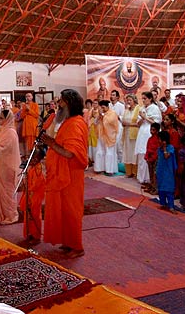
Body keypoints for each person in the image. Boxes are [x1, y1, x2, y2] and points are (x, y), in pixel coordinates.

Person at [40, 89, 88, 258]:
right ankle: (68, 242)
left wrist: (51, 143)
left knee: (72, 210)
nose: (58, 104)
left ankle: (77, 246)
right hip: (62, 173)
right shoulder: (69, 121)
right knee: (63, 209)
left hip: (71, 175)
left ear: (69, 103)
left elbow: (70, 153)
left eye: (61, 101)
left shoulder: (76, 123)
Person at [0, 109, 21, 224]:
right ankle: (0, 213)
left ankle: (10, 215)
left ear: (7, 119)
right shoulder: (2, 130)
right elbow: (0, 146)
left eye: (1, 118)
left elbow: (6, 149)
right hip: (0, 163)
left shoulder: (11, 132)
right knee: (0, 189)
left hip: (8, 166)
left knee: (7, 190)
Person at [135, 91, 162, 188]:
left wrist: (145, 117)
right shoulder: (142, 108)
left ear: (150, 99)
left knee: (150, 156)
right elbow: (137, 124)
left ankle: (150, 180)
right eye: (142, 98)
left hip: (150, 132)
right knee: (142, 155)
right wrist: (142, 118)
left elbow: (157, 123)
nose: (143, 100)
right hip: (142, 132)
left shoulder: (154, 108)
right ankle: (142, 179)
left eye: (145, 98)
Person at [19, 148, 46, 244]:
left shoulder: (39, 169)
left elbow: (37, 184)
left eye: (36, 158)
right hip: (29, 194)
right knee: (28, 215)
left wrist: (28, 188)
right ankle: (29, 233)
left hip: (35, 196)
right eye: (32, 158)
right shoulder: (31, 168)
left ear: (40, 159)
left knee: (34, 215)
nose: (33, 160)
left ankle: (36, 236)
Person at [94, 100, 119, 175]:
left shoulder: (112, 113)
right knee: (100, 151)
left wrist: (103, 116)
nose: (102, 109)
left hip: (110, 136)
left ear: (107, 107)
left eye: (103, 107)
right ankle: (99, 168)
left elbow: (109, 122)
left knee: (109, 152)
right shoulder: (101, 114)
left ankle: (109, 170)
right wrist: (99, 116)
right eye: (101, 107)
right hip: (101, 135)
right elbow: (95, 122)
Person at [156, 130, 178, 213]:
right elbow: (159, 159)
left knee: (169, 188)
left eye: (160, 139)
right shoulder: (159, 149)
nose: (158, 141)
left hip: (168, 171)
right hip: (160, 171)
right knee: (161, 188)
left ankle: (171, 206)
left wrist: (165, 148)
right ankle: (163, 203)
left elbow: (166, 156)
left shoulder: (170, 148)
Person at [121, 93, 140, 178]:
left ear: (134, 100)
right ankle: (128, 172)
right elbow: (123, 122)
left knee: (134, 153)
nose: (128, 102)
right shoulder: (127, 110)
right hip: (126, 133)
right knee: (127, 152)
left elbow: (138, 124)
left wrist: (128, 123)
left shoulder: (139, 109)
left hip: (135, 134)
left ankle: (135, 172)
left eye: (130, 100)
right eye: (127, 100)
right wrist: (124, 124)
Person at [144, 123, 161, 194]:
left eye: (153, 130)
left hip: (155, 159)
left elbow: (157, 150)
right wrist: (147, 157)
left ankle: (156, 188)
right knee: (150, 173)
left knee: (155, 174)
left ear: (157, 131)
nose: (151, 131)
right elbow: (147, 149)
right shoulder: (150, 139)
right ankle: (152, 186)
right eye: (151, 129)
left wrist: (153, 158)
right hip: (150, 159)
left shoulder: (158, 139)